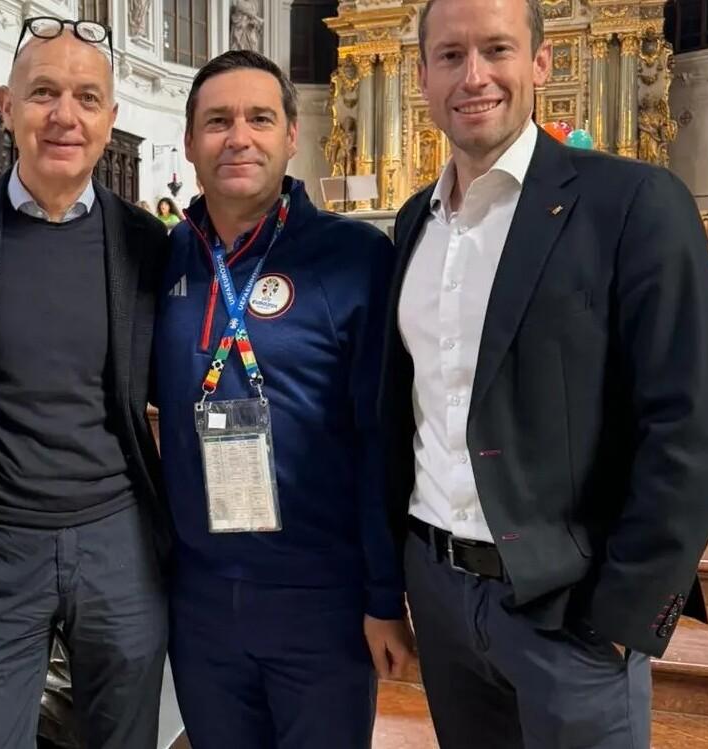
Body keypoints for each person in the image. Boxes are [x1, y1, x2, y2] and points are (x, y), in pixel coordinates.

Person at [380, 1, 708, 747]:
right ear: (423, 76)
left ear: (540, 62)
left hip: (570, 606)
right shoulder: (413, 222)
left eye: (497, 50)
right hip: (439, 591)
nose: (474, 76)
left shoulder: (632, 203)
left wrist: (629, 610)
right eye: (450, 56)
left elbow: (691, 423)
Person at [0, 17, 171, 749]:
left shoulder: (144, 242)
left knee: (125, 737)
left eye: (87, 98)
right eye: (43, 93)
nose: (65, 115)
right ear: (6, 106)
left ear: (110, 119)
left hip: (118, 537)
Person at [153, 50, 413, 748]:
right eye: (217, 121)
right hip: (201, 600)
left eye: (259, 118)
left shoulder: (354, 258)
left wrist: (383, 594)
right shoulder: (162, 258)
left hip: (319, 598)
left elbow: (381, 437)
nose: (239, 137)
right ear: (190, 142)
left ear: (292, 134)